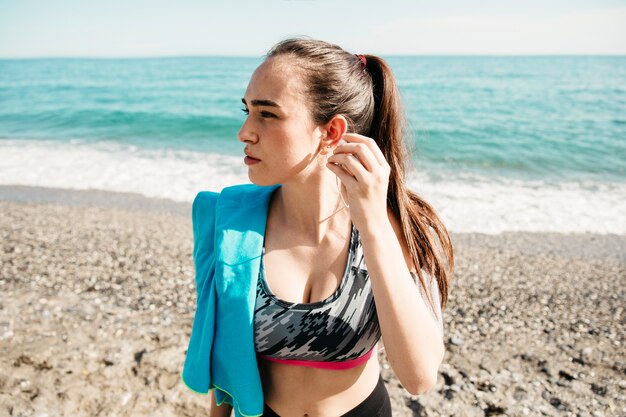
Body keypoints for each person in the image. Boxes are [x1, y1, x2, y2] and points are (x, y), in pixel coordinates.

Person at [182, 36, 454, 417]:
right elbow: (228, 360)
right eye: (246, 111)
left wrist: (372, 224)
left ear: (331, 132)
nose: (244, 132)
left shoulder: (401, 224)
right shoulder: (230, 222)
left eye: (267, 114)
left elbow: (419, 375)